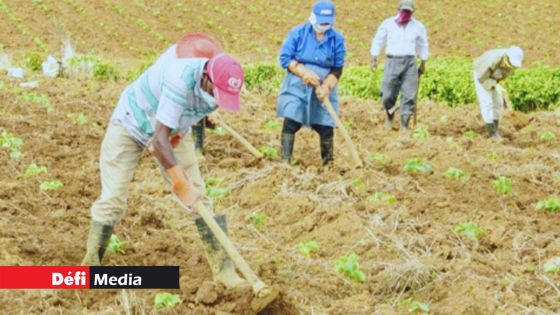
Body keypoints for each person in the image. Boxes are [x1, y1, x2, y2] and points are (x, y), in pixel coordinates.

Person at [81, 42, 247, 288]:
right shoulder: (179, 80)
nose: (218, 99)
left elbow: (173, 129)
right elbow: (158, 142)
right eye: (217, 93)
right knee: (113, 197)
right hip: (131, 124)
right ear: (205, 77)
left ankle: (224, 271)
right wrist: (180, 182)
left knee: (200, 198)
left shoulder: (216, 83)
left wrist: (204, 119)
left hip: (173, 133)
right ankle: (90, 265)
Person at [277, 0, 346, 166]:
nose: (323, 25)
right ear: (312, 17)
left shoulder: (337, 39)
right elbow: (285, 59)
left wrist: (327, 86)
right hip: (297, 86)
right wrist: (303, 72)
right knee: (291, 119)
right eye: (320, 21)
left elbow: (337, 69)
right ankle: (285, 163)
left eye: (326, 23)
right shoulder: (298, 33)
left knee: (325, 125)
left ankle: (328, 164)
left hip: (322, 89)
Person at [370, 0, 429, 131]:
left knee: (409, 94)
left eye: (408, 11)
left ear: (413, 12)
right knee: (386, 93)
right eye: (404, 11)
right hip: (392, 61)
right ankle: (390, 114)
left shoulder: (418, 26)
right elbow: (378, 40)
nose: (406, 14)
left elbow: (422, 44)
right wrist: (374, 57)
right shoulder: (388, 24)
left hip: (410, 62)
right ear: (398, 10)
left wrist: (423, 62)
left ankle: (404, 126)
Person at [473, 46, 523, 139]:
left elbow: (501, 75)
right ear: (506, 58)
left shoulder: (511, 63)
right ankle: (492, 134)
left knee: (498, 103)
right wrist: (495, 85)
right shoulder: (491, 60)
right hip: (482, 76)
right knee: (487, 103)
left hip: (494, 78)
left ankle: (495, 129)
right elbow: (482, 77)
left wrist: (497, 85)